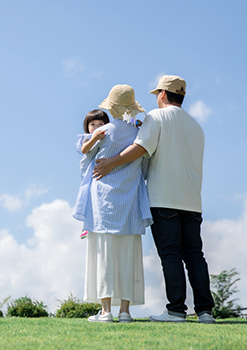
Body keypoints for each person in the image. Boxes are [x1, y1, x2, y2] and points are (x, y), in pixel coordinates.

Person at [92, 75, 216, 324]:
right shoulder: (196, 125)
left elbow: (141, 148)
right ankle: (205, 312)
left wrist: (110, 163)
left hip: (164, 198)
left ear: (161, 94)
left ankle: (176, 311)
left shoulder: (156, 117)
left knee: (170, 254)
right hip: (193, 201)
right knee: (195, 256)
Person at [73, 84, 152, 323]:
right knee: (128, 254)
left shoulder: (103, 131)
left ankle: (105, 311)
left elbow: (84, 154)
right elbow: (146, 165)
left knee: (104, 254)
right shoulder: (140, 132)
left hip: (103, 203)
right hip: (130, 200)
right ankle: (125, 311)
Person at [75, 110, 110, 239]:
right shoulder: (87, 138)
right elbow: (85, 149)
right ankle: (86, 225)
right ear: (87, 127)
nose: (96, 127)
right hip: (89, 171)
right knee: (87, 196)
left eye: (100, 124)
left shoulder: (108, 136)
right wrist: (95, 138)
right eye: (93, 124)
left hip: (100, 170)